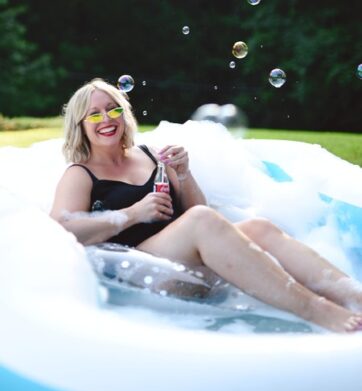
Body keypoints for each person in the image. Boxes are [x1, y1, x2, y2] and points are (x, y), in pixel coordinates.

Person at [51, 77, 362, 333]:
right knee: (201, 220)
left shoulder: (150, 155)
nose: (106, 119)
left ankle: (354, 296)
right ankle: (316, 309)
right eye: (94, 114)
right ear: (80, 125)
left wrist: (184, 175)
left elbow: (204, 216)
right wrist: (131, 214)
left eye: (112, 109)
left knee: (260, 228)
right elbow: (60, 229)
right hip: (147, 276)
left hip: (193, 265)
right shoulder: (81, 174)